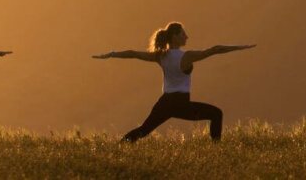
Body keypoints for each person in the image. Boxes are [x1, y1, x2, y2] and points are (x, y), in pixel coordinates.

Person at [92, 22, 255, 142]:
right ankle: (217, 149)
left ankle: (121, 145)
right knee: (216, 114)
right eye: (183, 34)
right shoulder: (186, 56)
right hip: (180, 104)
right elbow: (215, 50)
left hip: (165, 103)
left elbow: (133, 53)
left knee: (144, 130)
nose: (186, 37)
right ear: (175, 36)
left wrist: (111, 54)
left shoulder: (160, 56)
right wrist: (240, 47)